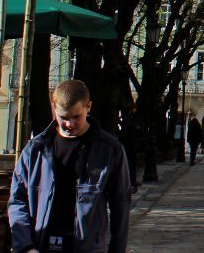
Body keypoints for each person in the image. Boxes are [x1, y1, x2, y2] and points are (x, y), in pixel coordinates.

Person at [8, 79, 131, 253]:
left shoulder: (110, 150)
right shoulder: (35, 149)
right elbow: (17, 200)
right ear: (53, 108)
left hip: (86, 247)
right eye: (63, 118)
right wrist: (25, 246)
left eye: (76, 117)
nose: (69, 124)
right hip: (40, 244)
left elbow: (121, 204)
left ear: (88, 107)